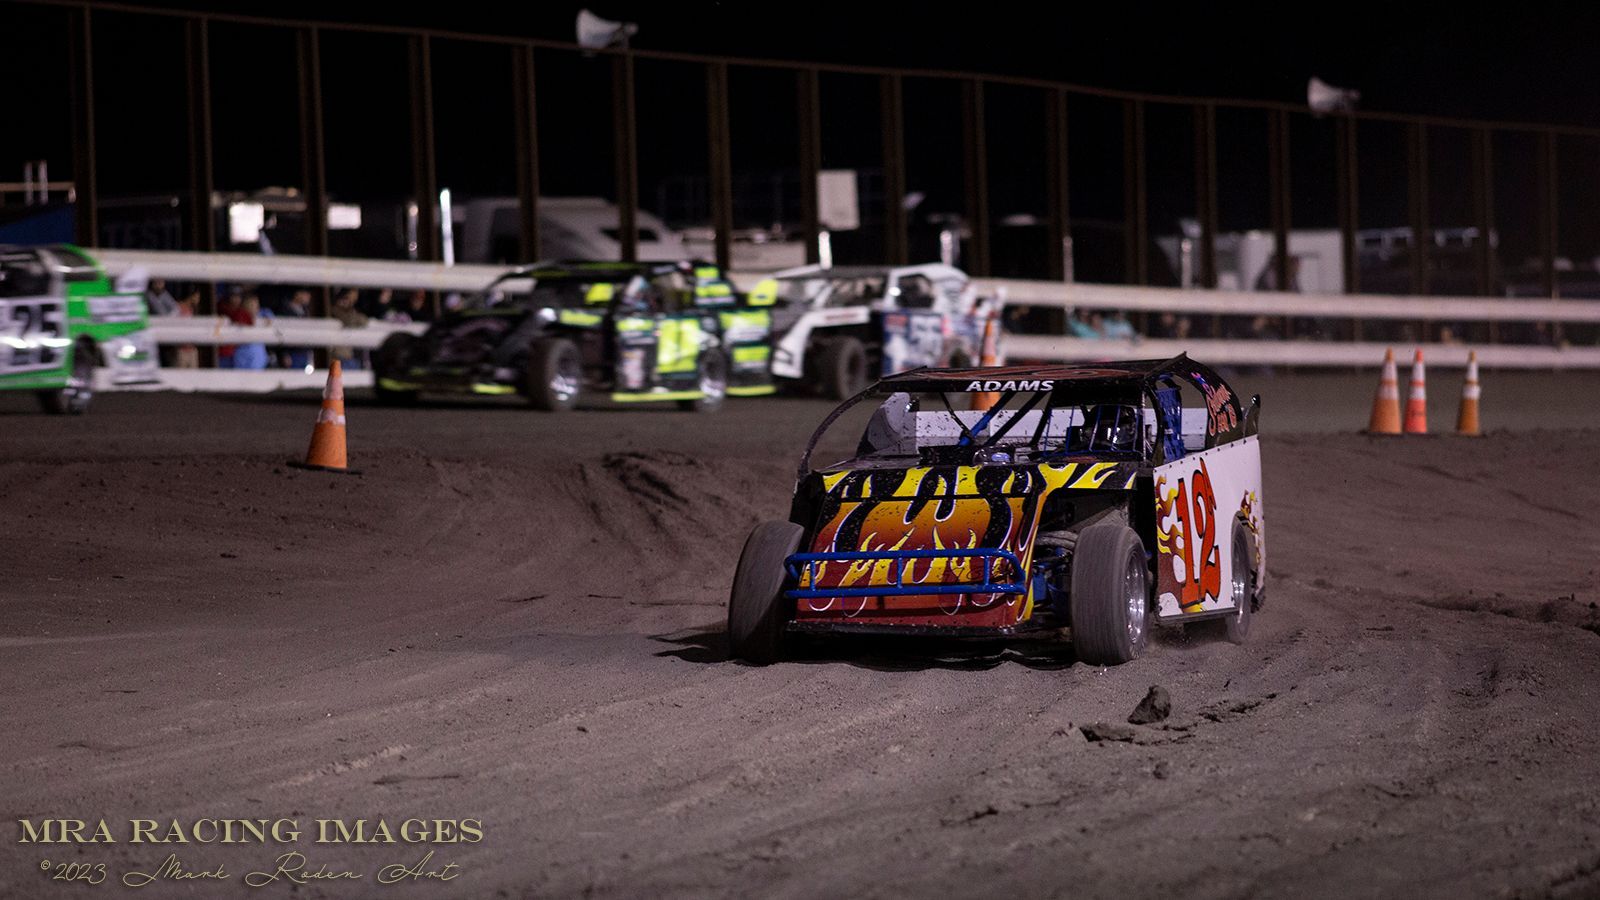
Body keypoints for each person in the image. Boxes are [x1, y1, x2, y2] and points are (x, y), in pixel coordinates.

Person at [329, 287, 369, 369]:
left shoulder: (353, 312)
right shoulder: (336, 311)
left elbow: (364, 322)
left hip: (353, 355)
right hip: (341, 355)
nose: (354, 296)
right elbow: (348, 322)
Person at [228, 293, 271, 370]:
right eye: (252, 305)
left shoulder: (262, 316)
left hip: (259, 359)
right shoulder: (238, 318)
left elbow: (268, 314)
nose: (256, 307)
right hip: (243, 357)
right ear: (245, 306)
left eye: (257, 305)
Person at [277, 288, 314, 371]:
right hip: (292, 353)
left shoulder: (305, 311)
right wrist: (284, 353)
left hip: (304, 352)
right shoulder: (285, 310)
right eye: (306, 293)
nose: (309, 296)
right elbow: (281, 332)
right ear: (297, 294)